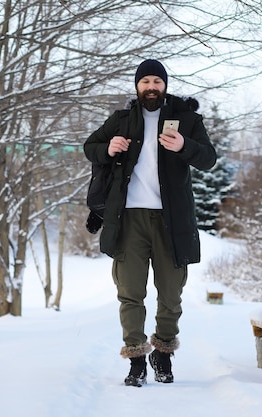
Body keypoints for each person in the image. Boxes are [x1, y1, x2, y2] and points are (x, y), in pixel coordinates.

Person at [83, 59, 217, 387]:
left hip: (171, 220)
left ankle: (163, 351)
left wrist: (185, 146)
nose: (151, 87)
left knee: (171, 292)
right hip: (128, 219)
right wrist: (108, 147)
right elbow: (90, 148)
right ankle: (136, 359)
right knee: (130, 292)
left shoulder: (185, 119)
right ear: (137, 87)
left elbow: (209, 159)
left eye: (157, 81)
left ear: (165, 86)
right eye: (145, 82)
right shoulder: (122, 120)